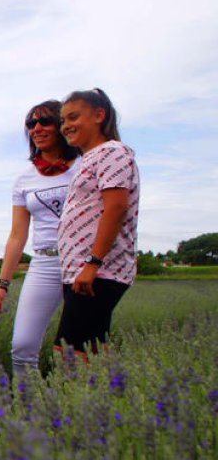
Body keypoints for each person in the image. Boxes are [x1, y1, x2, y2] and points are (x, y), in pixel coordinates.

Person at [0, 100, 80, 376]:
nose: (36, 128)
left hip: (83, 263)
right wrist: (2, 284)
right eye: (31, 124)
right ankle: (28, 413)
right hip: (45, 263)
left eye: (45, 121)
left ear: (63, 126)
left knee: (76, 350)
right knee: (22, 346)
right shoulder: (24, 180)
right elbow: (17, 236)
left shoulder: (85, 166)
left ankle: (82, 412)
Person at [53, 88, 140, 362]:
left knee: (69, 353)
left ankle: (77, 404)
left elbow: (116, 207)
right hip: (84, 270)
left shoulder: (112, 152)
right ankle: (104, 401)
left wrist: (93, 263)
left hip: (98, 271)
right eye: (63, 121)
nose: (66, 126)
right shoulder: (87, 159)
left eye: (73, 117)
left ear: (99, 115)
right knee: (92, 351)